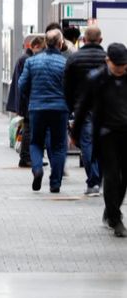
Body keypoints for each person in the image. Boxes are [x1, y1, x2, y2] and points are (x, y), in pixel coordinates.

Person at [73, 43, 127, 238]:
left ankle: (112, 209)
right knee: (112, 177)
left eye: (124, 65)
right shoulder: (96, 79)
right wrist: (76, 132)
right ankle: (115, 219)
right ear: (108, 61)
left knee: (124, 179)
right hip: (106, 135)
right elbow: (83, 106)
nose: (121, 69)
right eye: (117, 65)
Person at [19, 29, 69, 194]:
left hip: (37, 108)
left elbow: (22, 85)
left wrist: (32, 97)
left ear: (46, 43)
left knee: (36, 142)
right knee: (59, 146)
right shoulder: (65, 63)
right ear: (61, 44)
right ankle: (55, 183)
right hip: (60, 109)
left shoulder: (32, 62)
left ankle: (38, 169)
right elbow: (71, 88)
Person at [64, 25, 106, 196]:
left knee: (87, 144)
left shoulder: (74, 59)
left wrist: (70, 107)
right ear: (100, 40)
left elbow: (66, 86)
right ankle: (99, 178)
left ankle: (93, 180)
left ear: (84, 40)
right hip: (104, 108)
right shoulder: (107, 59)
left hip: (82, 107)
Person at [7, 36, 45, 168]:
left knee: (29, 128)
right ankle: (26, 157)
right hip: (27, 101)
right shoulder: (27, 60)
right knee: (29, 129)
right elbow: (25, 83)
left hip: (25, 101)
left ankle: (29, 157)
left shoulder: (24, 58)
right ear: (34, 47)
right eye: (42, 48)